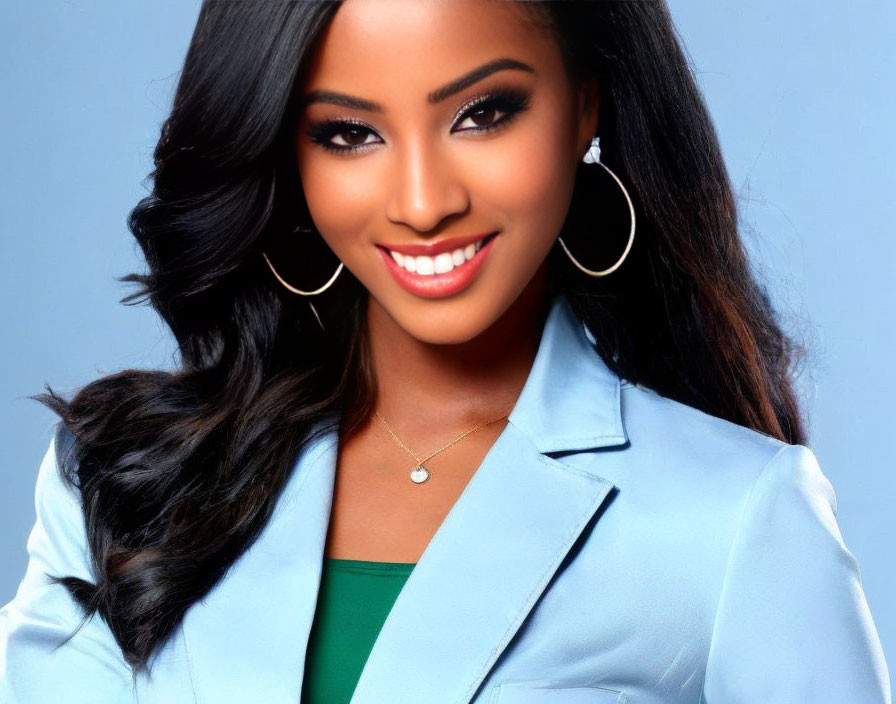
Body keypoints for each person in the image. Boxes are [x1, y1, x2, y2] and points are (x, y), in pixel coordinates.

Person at [1, 1, 890, 702]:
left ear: (585, 103)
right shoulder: (122, 481)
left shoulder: (739, 520)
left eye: (483, 113)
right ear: (286, 152)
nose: (423, 203)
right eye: (349, 133)